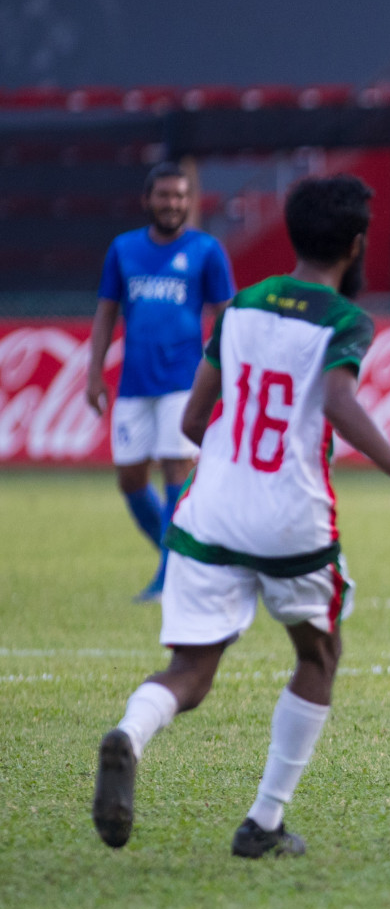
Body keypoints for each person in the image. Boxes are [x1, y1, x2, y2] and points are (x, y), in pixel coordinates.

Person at [91, 174, 390, 858]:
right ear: (356, 246)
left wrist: (235, 468)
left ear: (293, 235)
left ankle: (130, 734)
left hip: (211, 512)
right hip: (292, 516)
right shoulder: (345, 319)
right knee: (318, 652)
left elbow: (195, 419)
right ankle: (264, 822)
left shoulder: (240, 306)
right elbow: (339, 401)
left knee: (191, 670)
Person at [86, 162, 236, 602]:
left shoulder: (207, 250)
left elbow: (227, 315)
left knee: (176, 466)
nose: (173, 204)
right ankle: (178, 556)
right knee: (130, 478)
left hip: (183, 381)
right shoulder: (124, 249)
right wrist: (94, 371)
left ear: (190, 203)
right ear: (147, 200)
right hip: (134, 383)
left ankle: (169, 575)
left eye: (180, 197)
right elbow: (106, 310)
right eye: (165, 196)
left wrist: (224, 369)